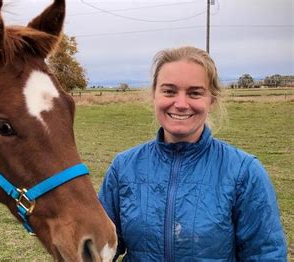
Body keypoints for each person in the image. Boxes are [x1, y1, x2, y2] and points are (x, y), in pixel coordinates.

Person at [98, 46, 287, 261]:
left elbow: (265, 254)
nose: (180, 104)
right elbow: (101, 249)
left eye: (194, 93)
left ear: (211, 99)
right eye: (169, 91)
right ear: (154, 95)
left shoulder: (244, 172)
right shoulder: (124, 167)